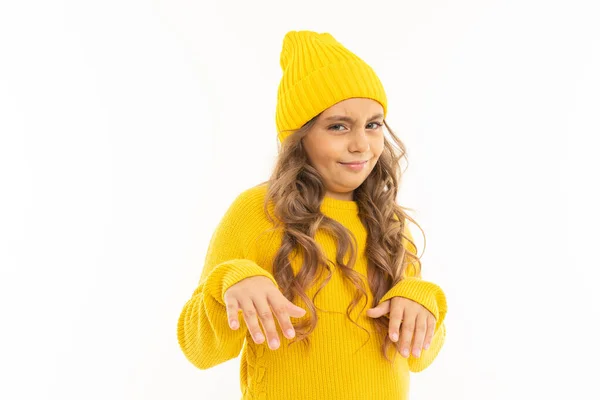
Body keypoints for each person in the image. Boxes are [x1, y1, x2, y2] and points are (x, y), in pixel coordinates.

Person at [177, 30, 448, 400]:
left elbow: (420, 357)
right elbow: (200, 350)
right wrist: (230, 282)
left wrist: (421, 299)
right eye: (338, 126)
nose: (361, 144)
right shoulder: (258, 212)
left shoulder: (389, 224)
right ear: (299, 136)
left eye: (373, 124)